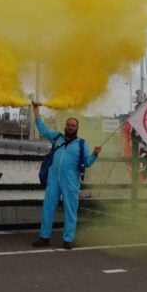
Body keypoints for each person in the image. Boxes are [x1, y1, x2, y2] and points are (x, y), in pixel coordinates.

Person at [32, 103, 101, 249]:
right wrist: (36, 111)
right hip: (53, 181)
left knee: (70, 211)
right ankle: (44, 237)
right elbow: (42, 129)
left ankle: (68, 239)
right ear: (65, 126)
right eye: (68, 124)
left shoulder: (82, 144)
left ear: (77, 128)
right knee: (48, 208)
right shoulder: (57, 138)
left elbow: (87, 163)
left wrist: (94, 154)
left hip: (70, 183)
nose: (70, 127)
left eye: (73, 125)